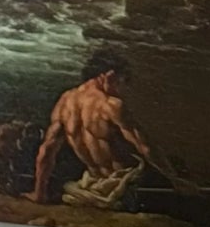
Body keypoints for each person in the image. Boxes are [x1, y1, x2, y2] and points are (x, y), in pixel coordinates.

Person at [24, 63, 186, 206]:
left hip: (92, 183)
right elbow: (146, 147)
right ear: (109, 75)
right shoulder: (111, 105)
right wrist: (175, 180)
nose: (121, 90)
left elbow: (47, 150)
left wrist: (40, 193)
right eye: (122, 82)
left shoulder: (65, 101)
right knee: (176, 166)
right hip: (123, 187)